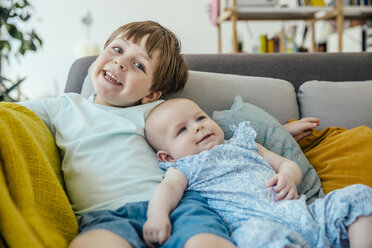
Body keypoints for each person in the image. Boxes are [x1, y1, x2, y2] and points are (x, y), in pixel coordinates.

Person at [18, 21, 237, 248]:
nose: (120, 63)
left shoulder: (158, 112)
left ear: (151, 95)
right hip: (107, 217)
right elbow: (12, 113)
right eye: (118, 49)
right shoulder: (62, 107)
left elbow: (205, 132)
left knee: (207, 242)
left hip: (174, 204)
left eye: (139, 65)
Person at [144, 98, 372, 248]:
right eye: (182, 130)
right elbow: (168, 191)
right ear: (168, 157)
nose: (197, 126)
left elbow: (286, 164)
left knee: (358, 195)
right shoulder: (184, 166)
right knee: (258, 237)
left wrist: (289, 176)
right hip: (257, 227)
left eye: (200, 118)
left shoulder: (243, 143)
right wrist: (157, 216)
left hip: (306, 214)